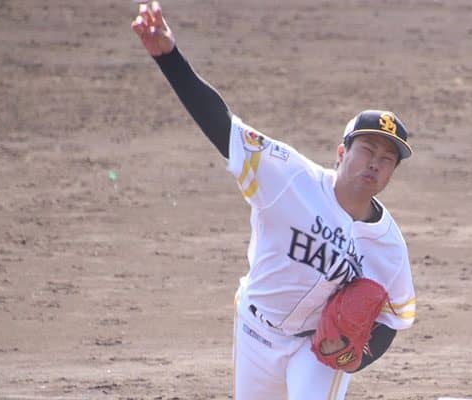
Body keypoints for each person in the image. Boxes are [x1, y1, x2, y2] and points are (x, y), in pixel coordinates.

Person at [131, 2, 416, 399]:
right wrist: (169, 58)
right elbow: (222, 125)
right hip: (255, 329)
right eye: (367, 149)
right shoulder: (290, 178)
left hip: (315, 349)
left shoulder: (389, 247)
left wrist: (353, 358)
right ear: (341, 153)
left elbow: (393, 318)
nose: (375, 163)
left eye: (387, 159)